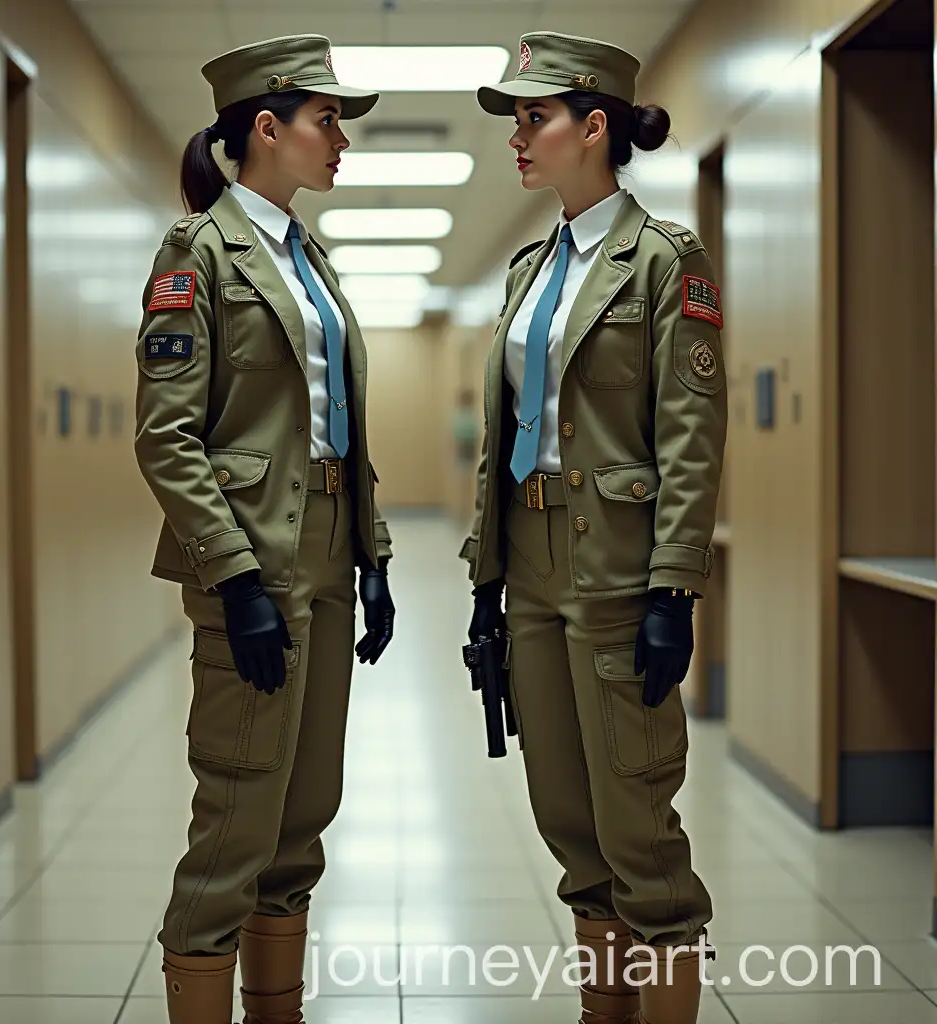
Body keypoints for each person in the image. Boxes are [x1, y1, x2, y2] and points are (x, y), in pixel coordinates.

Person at [462, 31, 727, 1024]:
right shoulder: (530, 268)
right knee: (568, 821)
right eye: (516, 121)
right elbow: (506, 433)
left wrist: (675, 586)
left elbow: (691, 437)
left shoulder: (663, 261)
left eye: (535, 117)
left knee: (637, 830)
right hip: (528, 565)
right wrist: (487, 571)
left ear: (596, 125)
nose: (518, 139)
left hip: (617, 568)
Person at [133, 34, 396, 1024]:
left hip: (328, 556)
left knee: (300, 823)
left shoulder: (309, 258)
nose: (340, 142)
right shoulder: (196, 252)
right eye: (328, 121)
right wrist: (235, 582)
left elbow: (335, 423)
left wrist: (371, 557)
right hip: (254, 564)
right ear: (265, 126)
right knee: (236, 824)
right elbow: (167, 439)